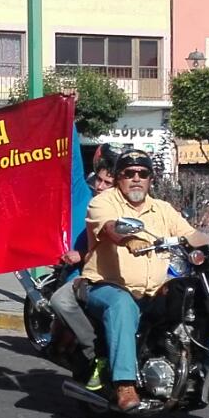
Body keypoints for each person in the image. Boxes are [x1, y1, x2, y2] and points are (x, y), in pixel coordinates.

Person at [81, 150, 195, 412]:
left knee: (192, 298)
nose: (136, 179)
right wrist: (128, 239)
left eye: (142, 174)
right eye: (129, 173)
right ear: (119, 177)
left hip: (152, 292)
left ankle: (201, 366)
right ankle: (124, 384)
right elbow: (109, 227)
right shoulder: (103, 202)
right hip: (104, 286)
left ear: (150, 179)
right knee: (122, 304)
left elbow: (191, 234)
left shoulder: (162, 209)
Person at [49, 144, 117, 389]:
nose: (100, 186)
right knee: (62, 300)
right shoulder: (83, 199)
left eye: (107, 183)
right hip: (81, 276)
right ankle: (95, 351)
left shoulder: (126, 210)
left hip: (116, 278)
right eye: (99, 180)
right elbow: (73, 163)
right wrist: (70, 120)